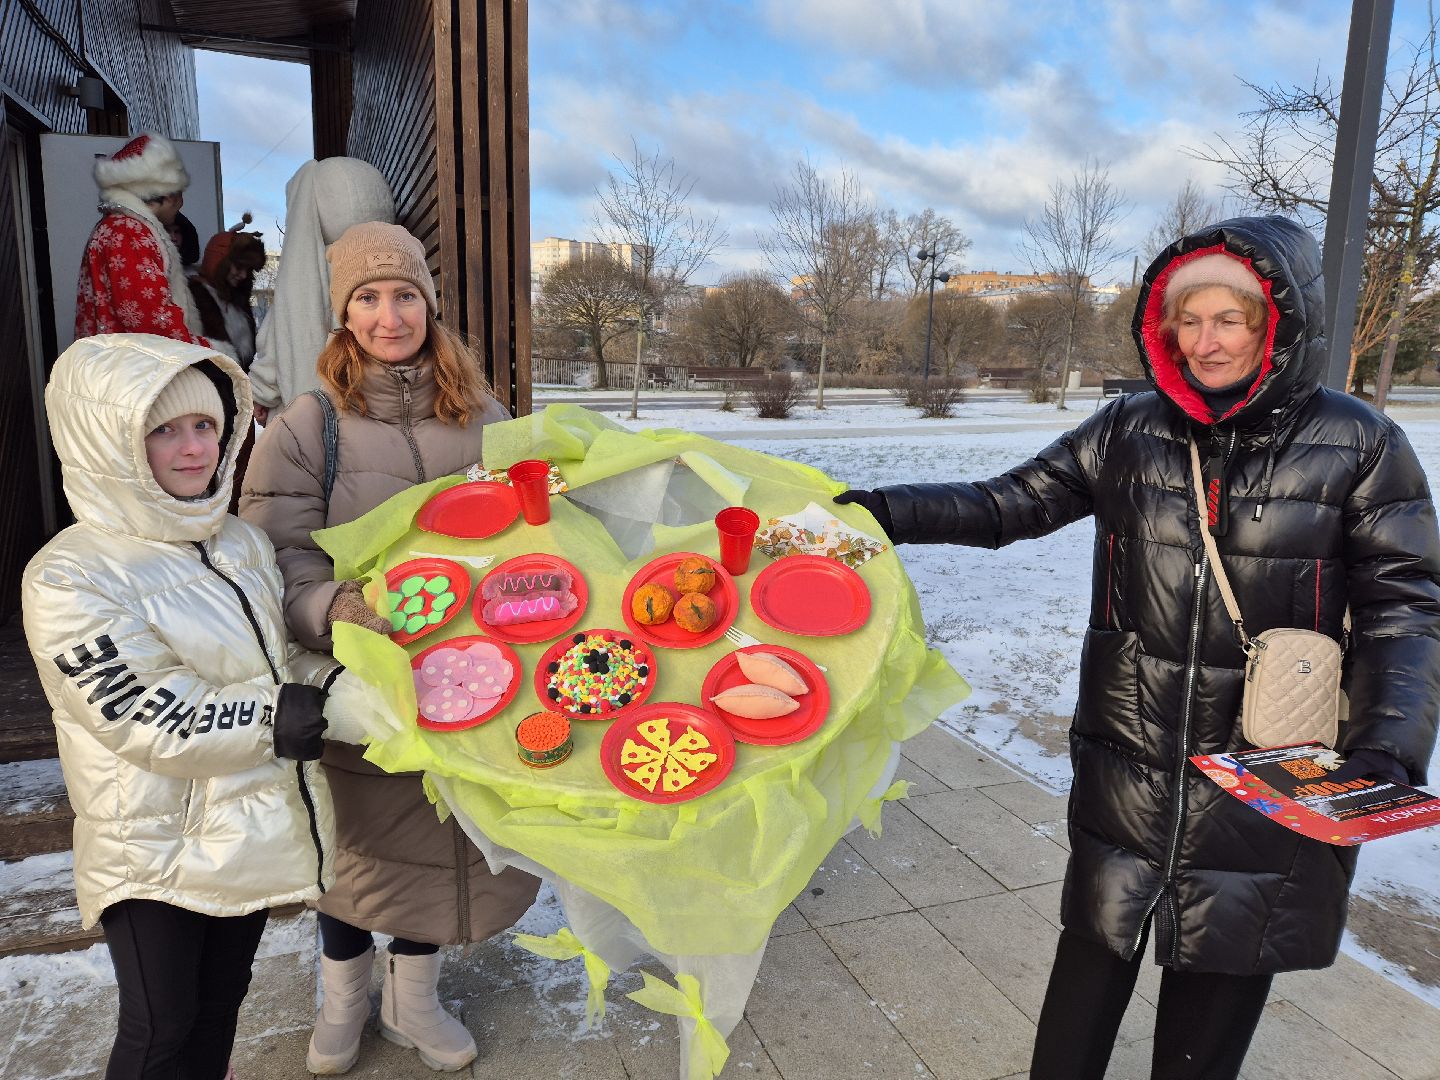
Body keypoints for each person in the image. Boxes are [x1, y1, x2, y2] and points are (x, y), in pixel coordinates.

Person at [837, 216, 1440, 1080]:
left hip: (1270, 762)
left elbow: (1405, 607)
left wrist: (1387, 743)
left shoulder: (1360, 442)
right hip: (1131, 753)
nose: (1206, 342)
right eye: (1188, 322)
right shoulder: (1128, 429)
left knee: (1218, 982)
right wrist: (876, 512)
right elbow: (1011, 504)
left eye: (1227, 319)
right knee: (1092, 961)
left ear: (1275, 319)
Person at [240, 222, 536, 1075]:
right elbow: (277, 549)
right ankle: (343, 999)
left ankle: (414, 1000)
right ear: (343, 316)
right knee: (356, 844)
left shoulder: (484, 415)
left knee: (441, 835)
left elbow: (530, 531)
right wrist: (334, 605)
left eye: (404, 295)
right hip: (357, 674)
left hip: (471, 673)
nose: (388, 314)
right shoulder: (307, 424)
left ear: (430, 306)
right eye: (367, 298)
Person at [21, 333, 350, 1078]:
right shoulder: (69, 576)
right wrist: (276, 716)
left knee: (222, 1001)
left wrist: (358, 690)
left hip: (245, 823)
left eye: (205, 424)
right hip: (148, 840)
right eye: (163, 430)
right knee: (160, 1028)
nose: (194, 447)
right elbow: (142, 710)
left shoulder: (236, 542)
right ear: (110, 442)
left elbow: (282, 660)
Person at [247, 157, 395, 422]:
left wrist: (261, 393)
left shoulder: (302, 275)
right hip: (376, 414)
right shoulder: (393, 265)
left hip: (305, 421)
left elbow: (276, 345)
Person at [74, 133, 219, 352]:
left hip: (123, 366)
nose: (181, 203)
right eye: (177, 192)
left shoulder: (120, 228)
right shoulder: (127, 232)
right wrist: (210, 352)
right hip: (133, 372)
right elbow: (148, 317)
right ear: (162, 192)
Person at [191, 215, 266, 371]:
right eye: (239, 267)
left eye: (248, 270)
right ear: (220, 264)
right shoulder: (193, 299)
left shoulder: (238, 301)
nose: (244, 275)